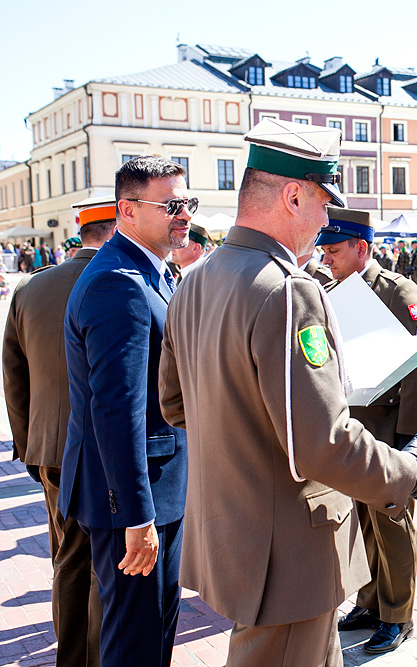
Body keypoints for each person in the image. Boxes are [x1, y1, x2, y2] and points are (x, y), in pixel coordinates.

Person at [158, 118, 417, 667]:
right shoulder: (289, 290)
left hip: (234, 526)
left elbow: (176, 405)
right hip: (287, 545)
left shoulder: (195, 278)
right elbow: (320, 442)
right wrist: (406, 471)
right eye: (321, 204)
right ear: (292, 196)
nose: (324, 221)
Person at [59, 158, 194, 667]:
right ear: (127, 210)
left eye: (188, 204)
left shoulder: (150, 272)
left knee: (154, 633)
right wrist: (136, 516)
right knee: (134, 644)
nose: (184, 215)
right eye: (172, 205)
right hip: (134, 501)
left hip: (159, 489)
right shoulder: (119, 282)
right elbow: (115, 411)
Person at [3, 195, 117, 666]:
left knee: (67, 557)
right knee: (107, 563)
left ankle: (72, 654)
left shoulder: (31, 288)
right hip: (107, 447)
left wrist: (28, 442)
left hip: (49, 444)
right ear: (117, 226)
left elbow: (14, 374)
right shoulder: (118, 280)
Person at [316, 208, 417, 654]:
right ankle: (370, 601)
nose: (327, 258)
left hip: (386, 428)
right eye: (323, 250)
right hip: (351, 427)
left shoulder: (398, 291)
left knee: (392, 524)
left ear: (361, 248)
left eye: (335, 250)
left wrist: (408, 437)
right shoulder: (326, 289)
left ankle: (398, 615)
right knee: (361, 523)